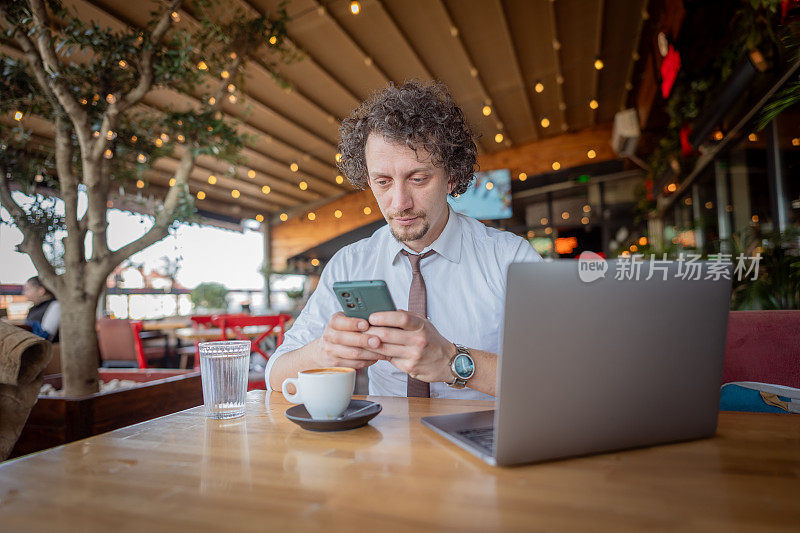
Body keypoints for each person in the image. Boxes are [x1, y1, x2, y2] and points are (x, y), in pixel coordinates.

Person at [265, 80, 541, 399]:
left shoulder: (508, 258)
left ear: (451, 176)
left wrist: (453, 362)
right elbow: (276, 373)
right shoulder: (349, 263)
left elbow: (557, 377)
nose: (399, 203)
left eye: (418, 179)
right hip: (385, 443)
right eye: (382, 182)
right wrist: (324, 352)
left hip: (484, 443)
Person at [23, 276, 60, 342]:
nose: (24, 293)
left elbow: (46, 336)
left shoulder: (55, 305)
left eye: (27, 289)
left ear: (41, 291)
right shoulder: (33, 308)